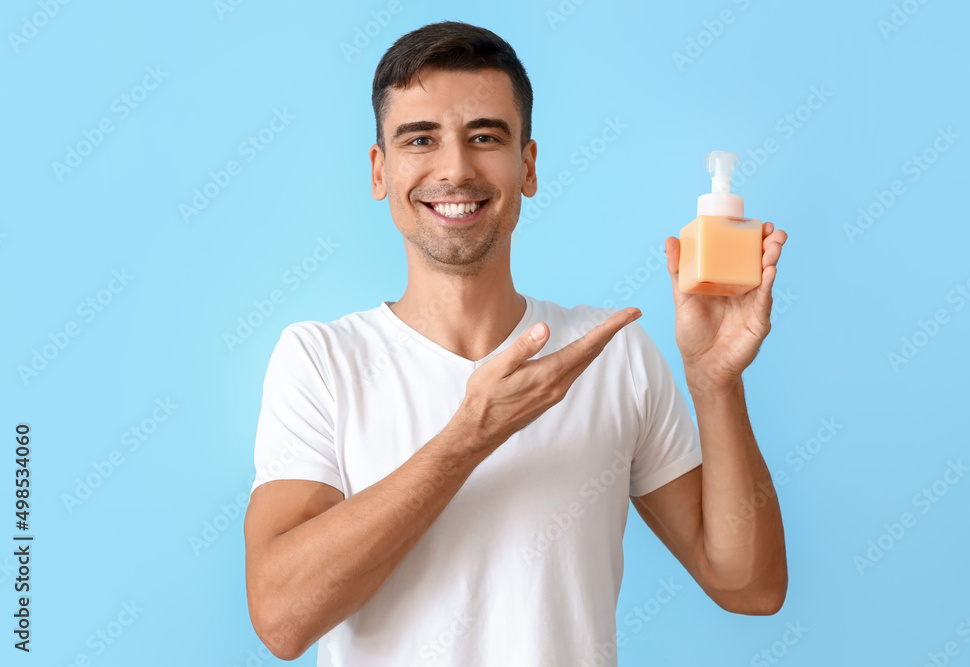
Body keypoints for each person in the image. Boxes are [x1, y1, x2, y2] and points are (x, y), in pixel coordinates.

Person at [243, 20, 788, 666]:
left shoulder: (611, 353)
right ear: (379, 170)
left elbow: (750, 585)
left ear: (527, 166)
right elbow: (281, 618)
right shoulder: (321, 361)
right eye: (421, 139)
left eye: (485, 137)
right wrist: (469, 436)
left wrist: (715, 384)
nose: (455, 168)